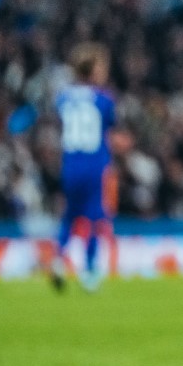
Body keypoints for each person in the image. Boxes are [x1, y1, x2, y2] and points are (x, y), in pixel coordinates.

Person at [49, 42, 119, 293]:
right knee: (95, 217)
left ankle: (59, 260)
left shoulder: (63, 97)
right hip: (94, 165)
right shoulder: (104, 99)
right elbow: (108, 130)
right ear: (92, 70)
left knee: (70, 215)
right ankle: (89, 271)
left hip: (70, 164)